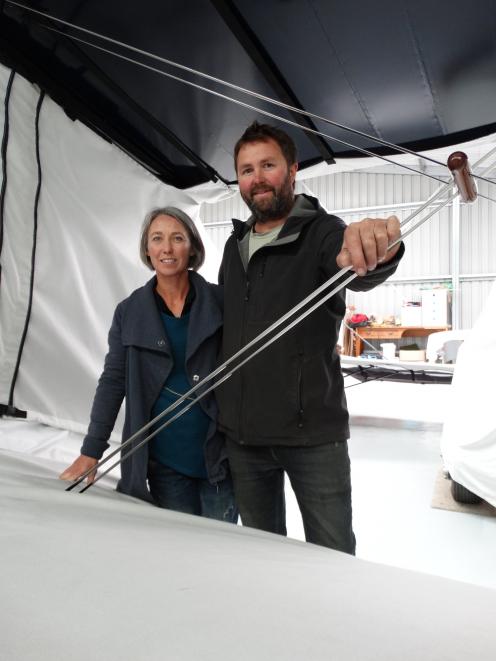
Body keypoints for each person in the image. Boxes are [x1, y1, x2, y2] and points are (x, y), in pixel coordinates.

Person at [216, 122, 404, 552]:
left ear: (293, 169)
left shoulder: (322, 232)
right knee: (263, 556)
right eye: (246, 170)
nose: (257, 178)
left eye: (268, 165)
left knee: (333, 556)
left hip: (312, 436)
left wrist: (377, 249)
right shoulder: (234, 245)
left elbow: (356, 264)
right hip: (244, 438)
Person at [60, 207, 237, 523]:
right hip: (164, 462)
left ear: (193, 247)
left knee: (221, 556)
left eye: (177, 238)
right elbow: (114, 381)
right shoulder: (129, 312)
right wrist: (91, 451)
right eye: (157, 239)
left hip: (220, 458)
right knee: (177, 555)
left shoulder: (221, 301)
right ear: (147, 250)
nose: (167, 248)